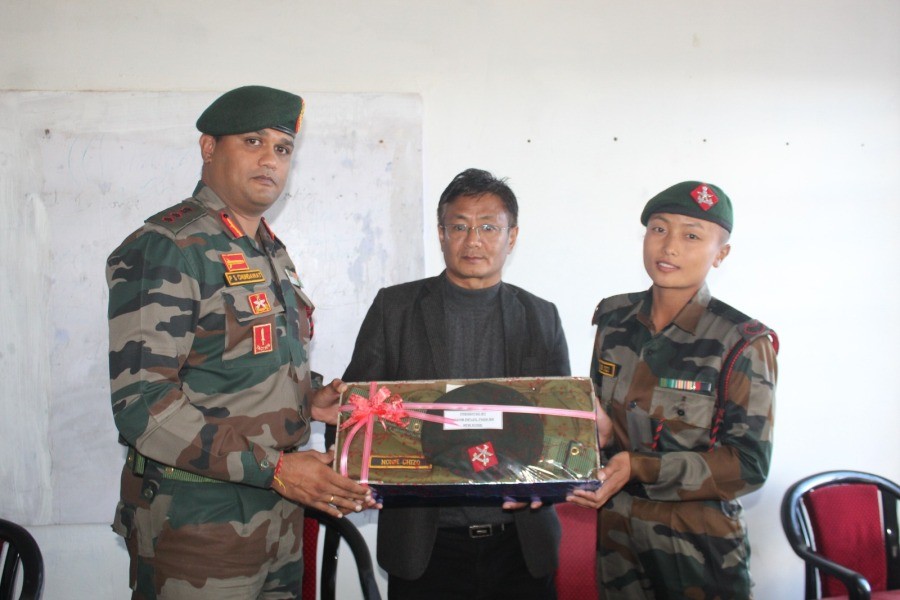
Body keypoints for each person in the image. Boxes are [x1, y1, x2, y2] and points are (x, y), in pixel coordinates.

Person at [106, 85, 377, 600]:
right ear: (209, 147)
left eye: (282, 148)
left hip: (278, 519)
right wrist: (275, 469)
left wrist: (310, 399)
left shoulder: (268, 249)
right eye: (253, 141)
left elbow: (245, 365)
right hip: (198, 526)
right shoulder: (167, 248)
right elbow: (143, 406)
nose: (270, 160)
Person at [342, 168, 570, 599]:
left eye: (489, 227)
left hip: (520, 543)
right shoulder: (396, 308)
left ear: (512, 236)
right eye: (460, 227)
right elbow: (355, 413)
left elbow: (560, 426)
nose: (474, 241)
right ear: (441, 233)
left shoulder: (541, 316)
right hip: (426, 545)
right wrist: (364, 472)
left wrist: (548, 482)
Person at [569, 181, 778, 599]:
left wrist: (639, 466)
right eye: (659, 229)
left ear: (721, 254)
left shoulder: (739, 341)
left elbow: (749, 465)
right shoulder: (614, 319)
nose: (670, 247)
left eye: (692, 235)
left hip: (698, 551)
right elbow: (600, 419)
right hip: (618, 542)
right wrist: (599, 435)